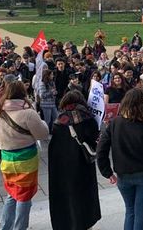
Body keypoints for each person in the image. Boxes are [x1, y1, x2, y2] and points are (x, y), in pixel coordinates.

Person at [97, 88, 143, 230]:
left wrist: (107, 173)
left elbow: (101, 150)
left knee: (130, 211)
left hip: (123, 175)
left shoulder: (114, 123)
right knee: (141, 213)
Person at [0, 81, 49, 230]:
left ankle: (6, 227)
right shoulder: (28, 113)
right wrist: (41, 121)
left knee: (12, 194)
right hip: (26, 160)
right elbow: (43, 133)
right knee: (24, 197)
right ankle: (20, 227)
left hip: (7, 159)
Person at [48, 91, 101, 230]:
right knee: (84, 194)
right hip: (82, 164)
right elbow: (95, 139)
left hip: (63, 166)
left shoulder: (59, 120)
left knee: (68, 195)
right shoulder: (88, 118)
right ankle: (85, 223)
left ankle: (69, 224)